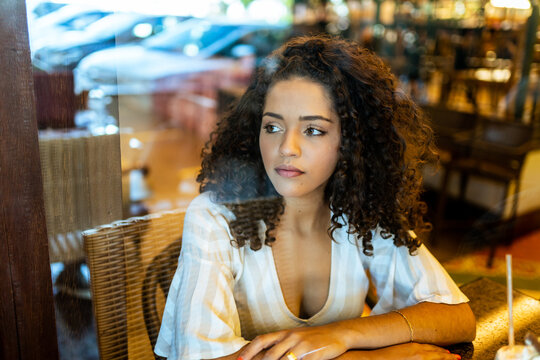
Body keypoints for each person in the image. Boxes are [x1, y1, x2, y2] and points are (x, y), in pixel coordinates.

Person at [155, 35, 476, 360]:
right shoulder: (215, 217)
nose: (286, 148)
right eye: (272, 127)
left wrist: (340, 333)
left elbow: (457, 317)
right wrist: (369, 357)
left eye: (313, 130)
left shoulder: (357, 210)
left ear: (351, 142)